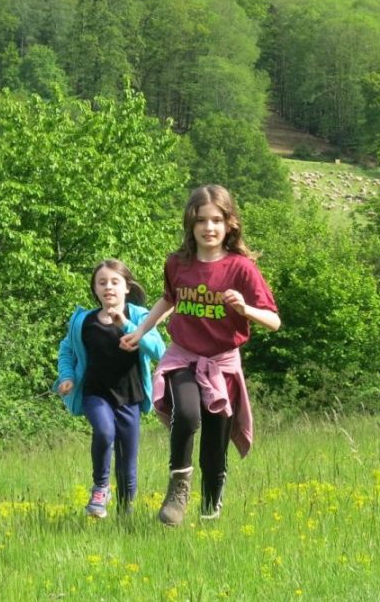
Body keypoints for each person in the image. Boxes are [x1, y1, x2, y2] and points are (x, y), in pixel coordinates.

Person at [120, 184, 280, 526]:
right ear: (190, 225)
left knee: (214, 441)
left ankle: (211, 506)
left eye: (216, 221)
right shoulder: (177, 264)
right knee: (188, 415)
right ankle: (178, 489)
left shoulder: (241, 268)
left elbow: (274, 321)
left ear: (229, 225)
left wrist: (246, 309)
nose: (209, 228)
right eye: (201, 221)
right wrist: (140, 331)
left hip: (222, 363)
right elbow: (169, 299)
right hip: (183, 356)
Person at [54, 259, 165, 518]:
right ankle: (101, 488)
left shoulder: (139, 316)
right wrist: (67, 376)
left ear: (127, 287)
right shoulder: (83, 321)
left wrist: (125, 324)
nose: (108, 287)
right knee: (104, 432)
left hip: (130, 396)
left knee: (128, 460)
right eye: (102, 282)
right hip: (96, 393)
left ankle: (125, 513)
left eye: (115, 282)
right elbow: (67, 350)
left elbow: (159, 351)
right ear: (95, 289)